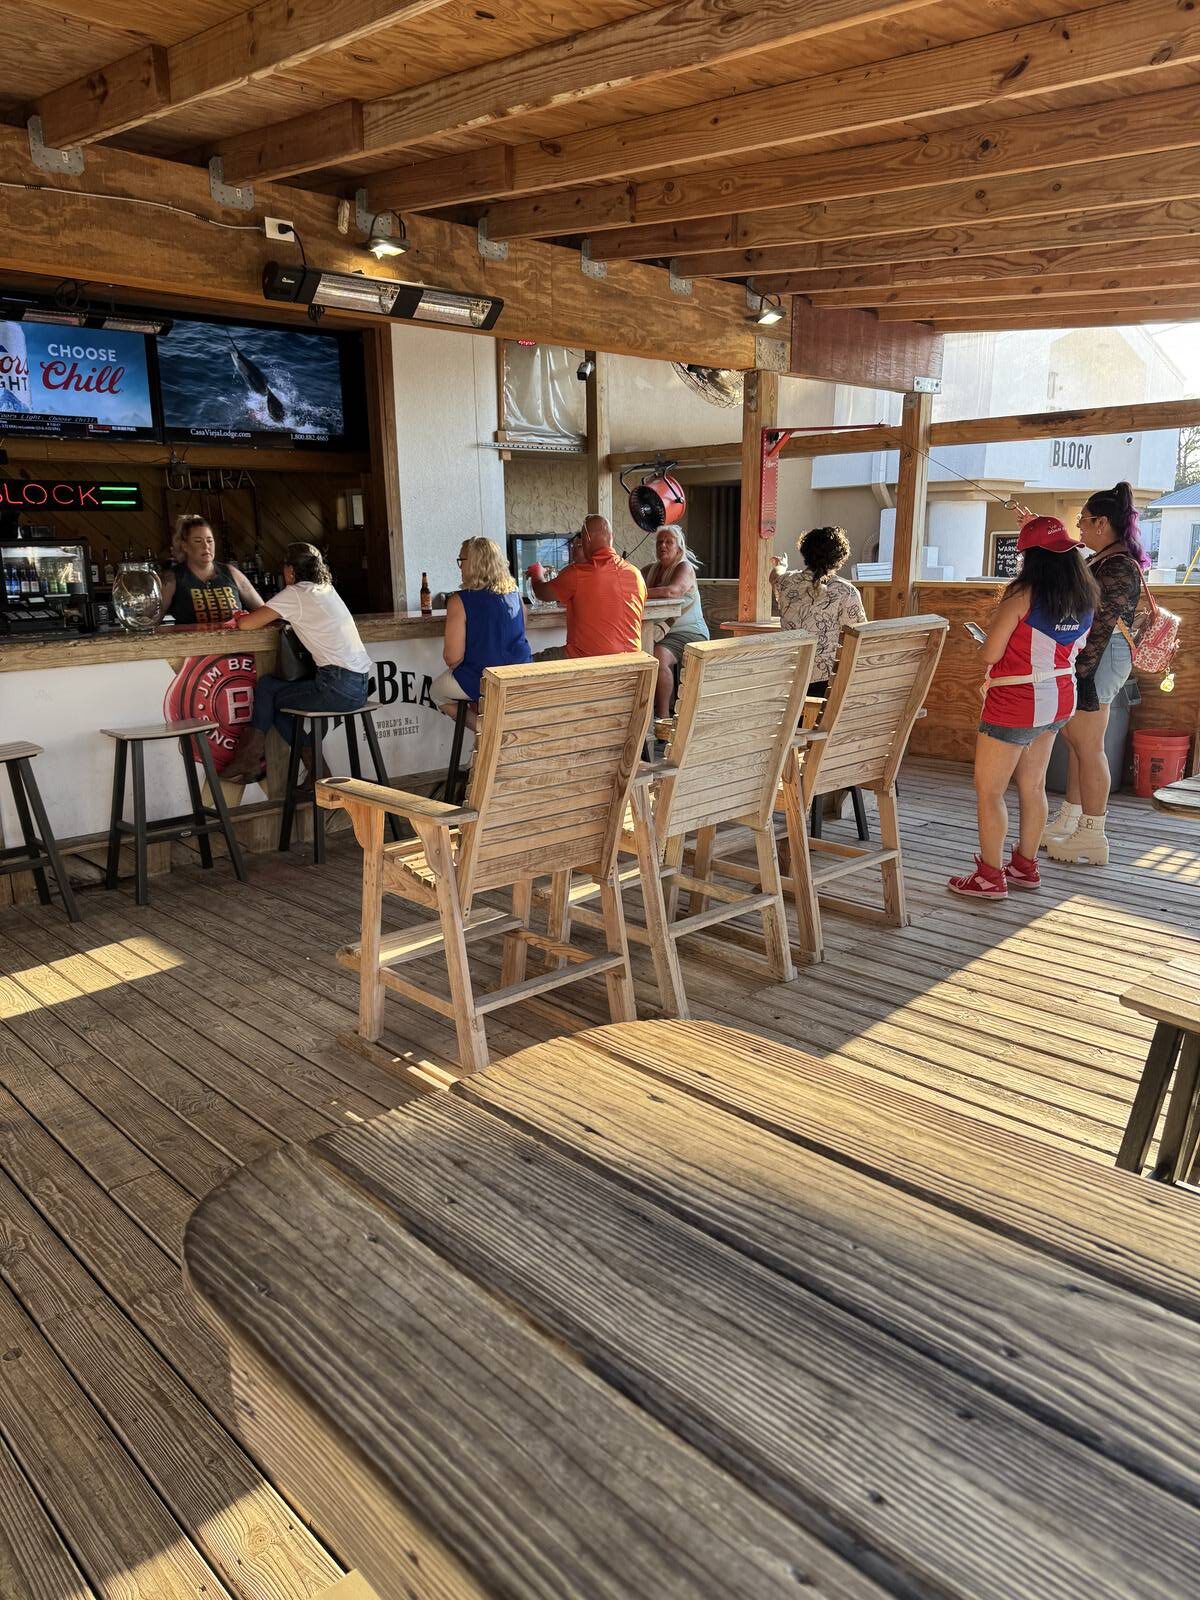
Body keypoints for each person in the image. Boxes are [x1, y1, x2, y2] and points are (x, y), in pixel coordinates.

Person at [947, 515, 1098, 900]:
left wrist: (984, 643)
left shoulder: (1021, 596)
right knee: (1033, 786)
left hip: (1016, 701)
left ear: (1030, 557)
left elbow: (990, 654)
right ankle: (1025, 866)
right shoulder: (1085, 597)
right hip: (1060, 697)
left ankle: (989, 876)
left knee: (989, 791)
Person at [1042, 481, 1147, 866]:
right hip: (1094, 657)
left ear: (1102, 523)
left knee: (1089, 746)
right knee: (1078, 744)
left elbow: (1101, 624)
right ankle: (1071, 819)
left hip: (1100, 657)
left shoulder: (1118, 565)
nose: (1079, 527)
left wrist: (1078, 672)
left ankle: (1092, 833)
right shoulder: (1107, 558)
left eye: (1083, 520)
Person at [221, 542, 372, 783]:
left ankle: (253, 761)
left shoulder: (296, 594)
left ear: (290, 571)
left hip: (337, 686)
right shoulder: (326, 589)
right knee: (270, 693)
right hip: (360, 686)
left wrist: (240, 616)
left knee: (269, 695)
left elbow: (247, 624)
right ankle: (314, 770)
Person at [432, 537, 531, 732]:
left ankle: (488, 733)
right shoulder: (515, 594)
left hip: (486, 679)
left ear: (475, 563)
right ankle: (494, 735)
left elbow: (452, 658)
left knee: (436, 692)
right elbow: (521, 627)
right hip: (520, 676)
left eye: (462, 560)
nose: (460, 567)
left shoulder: (459, 601)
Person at [528, 514, 646, 658]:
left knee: (526, 662)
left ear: (586, 540)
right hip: (632, 663)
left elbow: (541, 592)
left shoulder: (577, 573)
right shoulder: (636, 574)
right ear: (611, 537)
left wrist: (536, 572)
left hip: (587, 663)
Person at [770, 525, 867, 693]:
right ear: (840, 558)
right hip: (825, 679)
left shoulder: (787, 582)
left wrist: (782, 564)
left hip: (788, 675)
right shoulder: (845, 591)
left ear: (805, 552)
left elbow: (774, 576)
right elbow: (861, 635)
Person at [641, 527, 708, 716]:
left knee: (659, 655)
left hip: (689, 632)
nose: (662, 545)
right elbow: (629, 582)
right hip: (658, 633)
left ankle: (662, 719)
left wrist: (637, 592)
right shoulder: (650, 570)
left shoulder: (684, 567)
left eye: (668, 542)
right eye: (659, 542)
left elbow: (673, 591)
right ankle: (641, 713)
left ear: (679, 547)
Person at [160, 514, 263, 624]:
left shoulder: (231, 572)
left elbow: (264, 611)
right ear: (185, 546)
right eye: (198, 541)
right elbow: (152, 621)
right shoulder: (172, 578)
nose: (206, 546)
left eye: (209, 541)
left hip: (233, 635)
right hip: (191, 636)